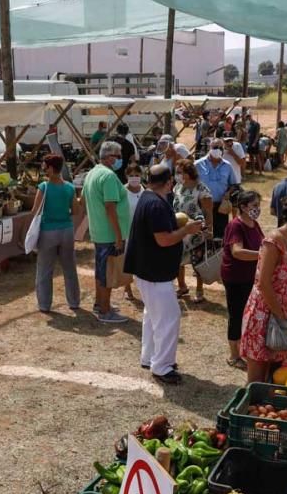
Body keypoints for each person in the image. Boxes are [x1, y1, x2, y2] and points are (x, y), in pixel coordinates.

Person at [124, 165, 204, 385]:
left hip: (147, 270)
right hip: (154, 272)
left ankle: (150, 357)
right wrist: (187, 230)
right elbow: (164, 239)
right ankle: (162, 366)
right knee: (169, 318)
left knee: (153, 317)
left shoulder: (148, 198)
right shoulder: (156, 204)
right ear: (169, 181)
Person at [239, 187, 287, 383]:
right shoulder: (273, 241)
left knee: (270, 377)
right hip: (263, 315)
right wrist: (282, 317)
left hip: (280, 316)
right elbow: (264, 284)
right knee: (256, 379)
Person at [83, 141, 131, 323]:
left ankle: (100, 304)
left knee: (101, 272)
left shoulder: (93, 173)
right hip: (109, 234)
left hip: (99, 232)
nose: (120, 159)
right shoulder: (109, 177)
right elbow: (110, 208)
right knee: (108, 274)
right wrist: (119, 236)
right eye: (118, 156)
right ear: (110, 157)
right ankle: (104, 310)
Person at [31, 154, 82, 312]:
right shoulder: (69, 188)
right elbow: (75, 210)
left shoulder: (44, 187)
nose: (44, 170)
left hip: (48, 231)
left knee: (45, 270)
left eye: (45, 168)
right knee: (70, 269)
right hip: (66, 230)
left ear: (51, 168)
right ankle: (74, 302)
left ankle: (44, 304)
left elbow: (35, 211)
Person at [221, 189, 264, 369]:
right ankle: (233, 355)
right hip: (236, 277)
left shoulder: (254, 223)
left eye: (258, 205)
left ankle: (244, 349)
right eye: (254, 205)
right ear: (244, 207)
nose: (257, 209)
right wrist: (262, 255)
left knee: (248, 313)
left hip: (250, 276)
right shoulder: (235, 226)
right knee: (237, 314)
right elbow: (237, 252)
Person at [173, 160, 214, 303]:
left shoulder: (202, 189)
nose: (177, 175)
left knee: (197, 261)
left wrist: (208, 229)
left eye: (179, 172)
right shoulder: (177, 187)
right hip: (180, 230)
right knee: (178, 259)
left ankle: (199, 290)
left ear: (188, 173)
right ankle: (182, 286)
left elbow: (208, 212)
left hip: (197, 230)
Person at [195, 139, 239, 239]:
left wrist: (228, 192)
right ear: (209, 148)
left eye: (220, 148)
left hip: (220, 206)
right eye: (215, 147)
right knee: (202, 233)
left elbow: (234, 184)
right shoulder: (198, 164)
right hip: (202, 205)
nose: (218, 150)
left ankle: (219, 253)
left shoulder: (227, 166)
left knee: (220, 235)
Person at [123, 163, 146, 302]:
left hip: (142, 232)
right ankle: (127, 288)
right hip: (126, 231)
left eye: (137, 175)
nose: (134, 178)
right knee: (127, 261)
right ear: (126, 176)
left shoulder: (146, 192)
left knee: (142, 261)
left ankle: (143, 289)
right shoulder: (122, 191)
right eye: (131, 175)